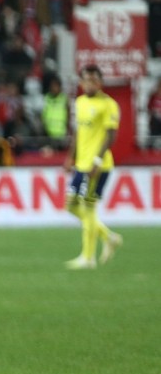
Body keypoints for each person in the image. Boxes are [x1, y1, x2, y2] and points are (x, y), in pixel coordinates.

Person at [63, 65, 122, 269]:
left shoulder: (109, 105)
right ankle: (108, 236)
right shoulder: (80, 102)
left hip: (99, 165)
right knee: (71, 205)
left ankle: (88, 258)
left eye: (94, 80)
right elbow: (78, 132)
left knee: (88, 208)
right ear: (81, 82)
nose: (89, 84)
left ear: (100, 82)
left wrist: (96, 161)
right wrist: (71, 157)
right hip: (81, 164)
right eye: (86, 80)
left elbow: (111, 136)